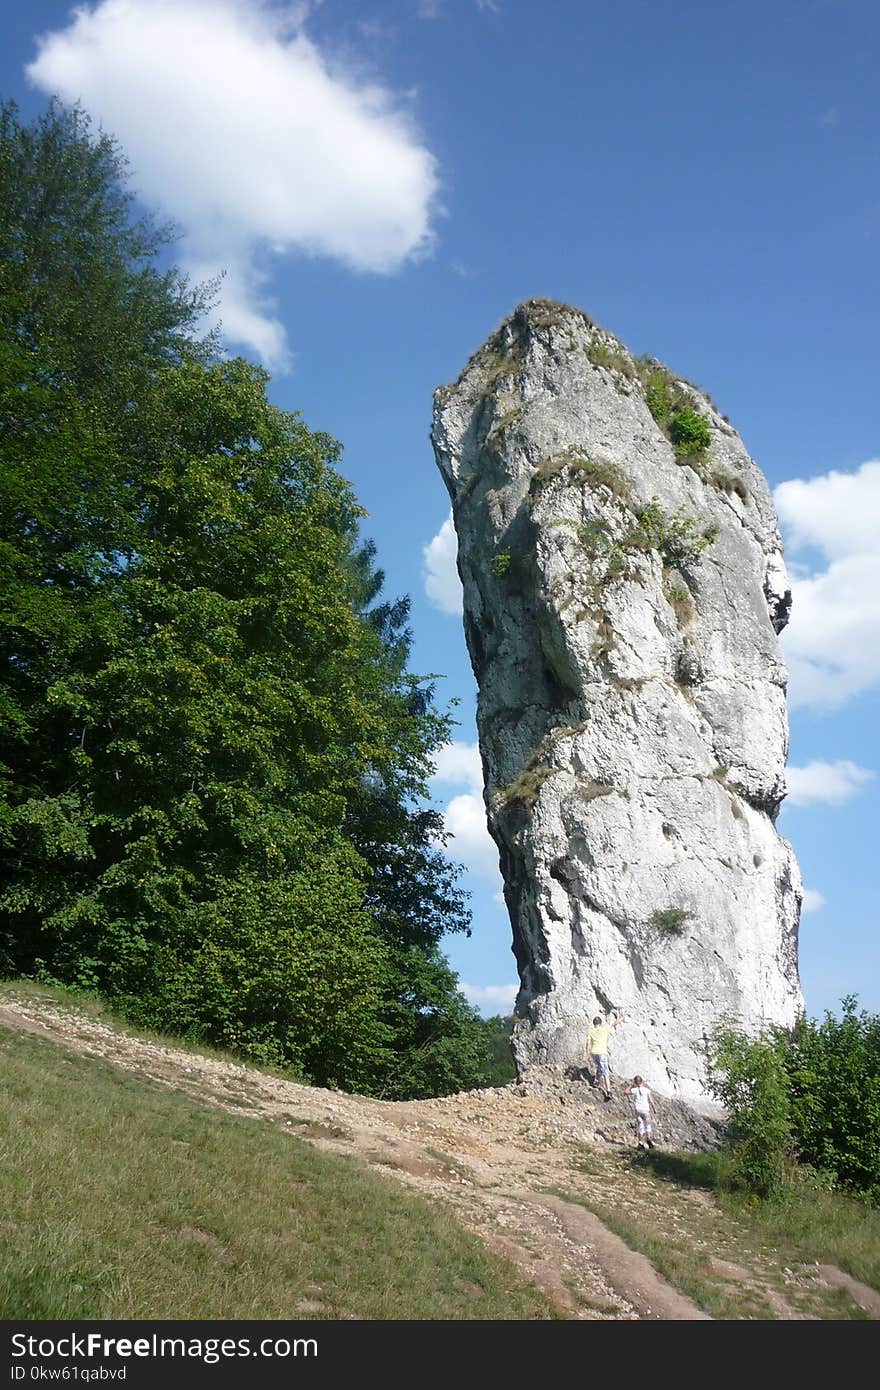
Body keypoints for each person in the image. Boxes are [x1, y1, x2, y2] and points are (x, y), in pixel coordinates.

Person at [585, 1012, 623, 1101]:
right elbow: (614, 1024)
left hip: (594, 1053)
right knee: (605, 1072)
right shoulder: (605, 1029)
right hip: (602, 1052)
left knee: (599, 1067)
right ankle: (608, 1091)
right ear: (601, 1023)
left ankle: (596, 1082)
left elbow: (587, 1043)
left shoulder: (591, 1031)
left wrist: (587, 1054)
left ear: (593, 1023)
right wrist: (619, 1019)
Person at [625, 1075, 656, 1148]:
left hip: (638, 1110)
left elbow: (625, 1092)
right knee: (647, 1125)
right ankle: (648, 1140)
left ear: (635, 1082)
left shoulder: (634, 1090)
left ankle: (640, 1143)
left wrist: (631, 1085)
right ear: (642, 1081)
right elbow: (651, 1100)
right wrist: (654, 1108)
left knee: (640, 1125)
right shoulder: (647, 1090)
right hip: (645, 1109)